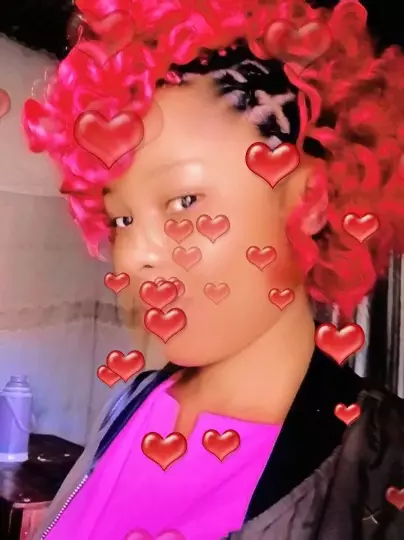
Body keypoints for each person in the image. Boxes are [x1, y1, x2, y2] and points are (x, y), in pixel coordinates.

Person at [23, 0, 404, 538]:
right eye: (122, 219)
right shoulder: (130, 404)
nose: (134, 255)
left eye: (184, 201)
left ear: (309, 198)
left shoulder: (383, 466)